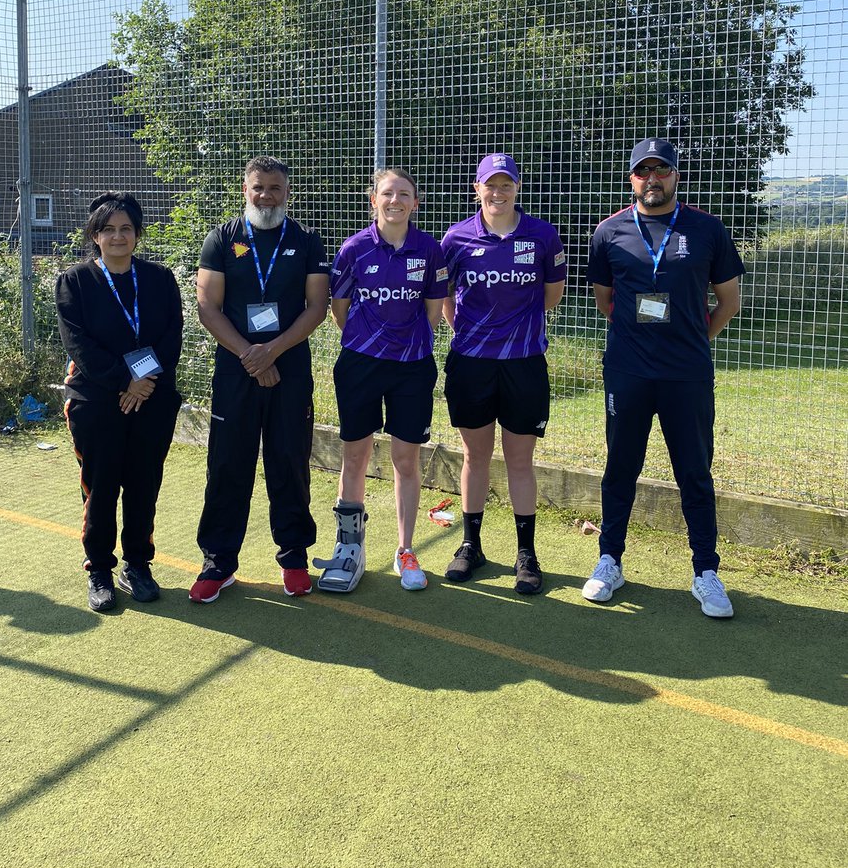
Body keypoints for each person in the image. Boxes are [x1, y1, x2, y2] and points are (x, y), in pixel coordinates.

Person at [582, 137, 745, 618]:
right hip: (628, 372)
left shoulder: (707, 229)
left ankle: (706, 571)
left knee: (694, 472)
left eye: (661, 170)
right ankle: (609, 560)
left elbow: (729, 302)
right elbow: (606, 303)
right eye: (643, 171)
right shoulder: (609, 231)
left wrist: (693, 338)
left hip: (686, 375)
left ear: (675, 176)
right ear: (631, 179)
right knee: (621, 467)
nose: (652, 179)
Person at [189, 156, 330, 603]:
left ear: (287, 192)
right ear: (245, 190)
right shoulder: (221, 238)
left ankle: (294, 558)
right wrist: (251, 355)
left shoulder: (306, 240)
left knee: (289, 462)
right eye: (258, 187)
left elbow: (317, 307)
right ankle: (218, 563)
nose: (266, 195)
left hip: (289, 367)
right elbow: (207, 307)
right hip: (236, 368)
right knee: (228, 464)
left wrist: (272, 351)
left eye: (275, 188)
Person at [315, 167, 448, 593]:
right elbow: (339, 309)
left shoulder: (430, 249)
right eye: (388, 193)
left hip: (413, 367)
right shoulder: (354, 248)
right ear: (373, 200)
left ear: (415, 202)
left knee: (406, 460)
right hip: (361, 364)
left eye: (404, 194)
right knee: (355, 457)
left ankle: (405, 550)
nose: (395, 201)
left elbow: (433, 310)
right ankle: (349, 548)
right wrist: (370, 342)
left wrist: (405, 345)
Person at [440, 153, 566, 594]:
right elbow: (445, 295)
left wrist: (513, 331)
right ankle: (470, 546)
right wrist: (470, 333)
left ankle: (526, 554)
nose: (498, 192)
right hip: (471, 363)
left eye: (506, 184)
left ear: (517, 188)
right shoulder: (456, 238)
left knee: (519, 460)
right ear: (477, 189)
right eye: (490, 185)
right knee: (474, 456)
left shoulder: (543, 235)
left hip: (524, 362)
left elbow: (552, 294)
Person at [56, 192, 183, 612]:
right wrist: (125, 382)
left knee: (144, 484)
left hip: (152, 397)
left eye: (126, 228)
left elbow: (172, 334)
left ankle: (138, 565)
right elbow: (79, 345)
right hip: (97, 399)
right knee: (102, 486)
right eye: (108, 229)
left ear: (137, 234)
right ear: (95, 235)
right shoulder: (75, 281)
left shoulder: (160, 278)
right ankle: (99, 569)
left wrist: (143, 383)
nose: (117, 236)